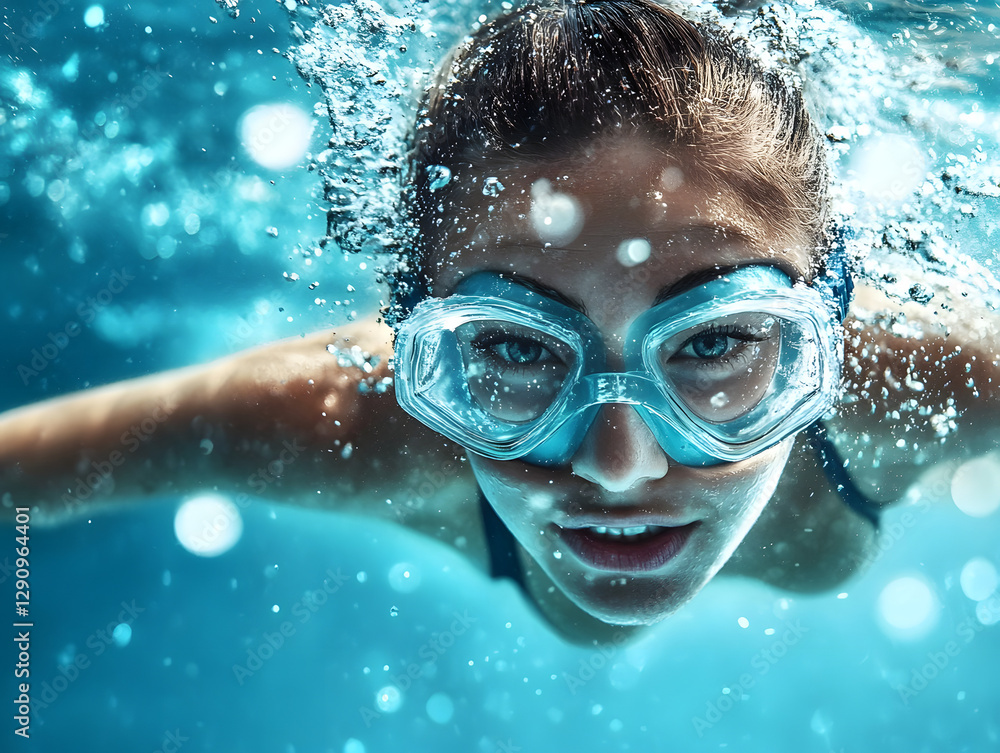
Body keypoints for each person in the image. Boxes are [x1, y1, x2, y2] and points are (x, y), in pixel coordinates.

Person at [1, 0, 997, 644]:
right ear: (415, 341)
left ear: (829, 318)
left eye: (711, 340)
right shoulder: (353, 420)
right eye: (516, 346)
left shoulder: (943, 377)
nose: (617, 463)